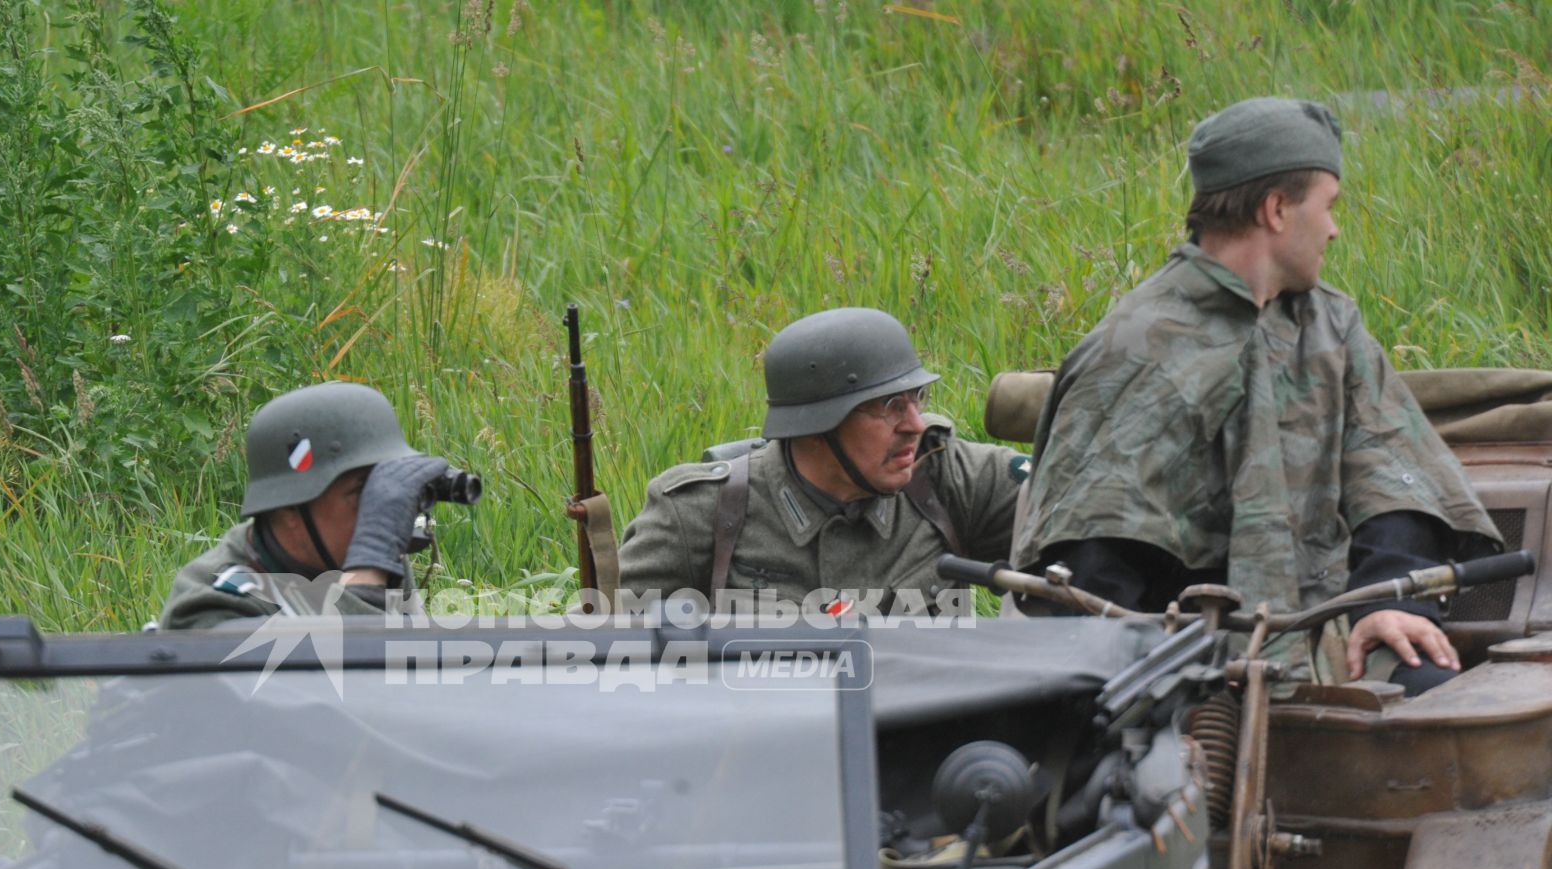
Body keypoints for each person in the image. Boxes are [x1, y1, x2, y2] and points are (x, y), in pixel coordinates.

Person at [1012, 97, 1498, 691]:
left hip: (1328, 637)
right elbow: (1094, 561)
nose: (1334, 228)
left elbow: (1394, 468)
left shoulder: (1330, 326)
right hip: (1179, 660)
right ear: (1275, 210)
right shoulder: (1136, 345)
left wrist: (1391, 599)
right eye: (1328, 207)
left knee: (1442, 715)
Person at [619, 307, 1026, 614]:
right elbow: (598, 650)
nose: (915, 424)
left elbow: (1074, 509)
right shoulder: (700, 514)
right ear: (815, 427)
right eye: (889, 406)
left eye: (917, 398)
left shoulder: (946, 476)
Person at [158, 382, 467, 629]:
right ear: (289, 510)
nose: (382, 509)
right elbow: (321, 694)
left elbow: (412, 679)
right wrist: (366, 579)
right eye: (364, 492)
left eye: (388, 491)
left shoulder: (372, 558)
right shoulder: (213, 605)